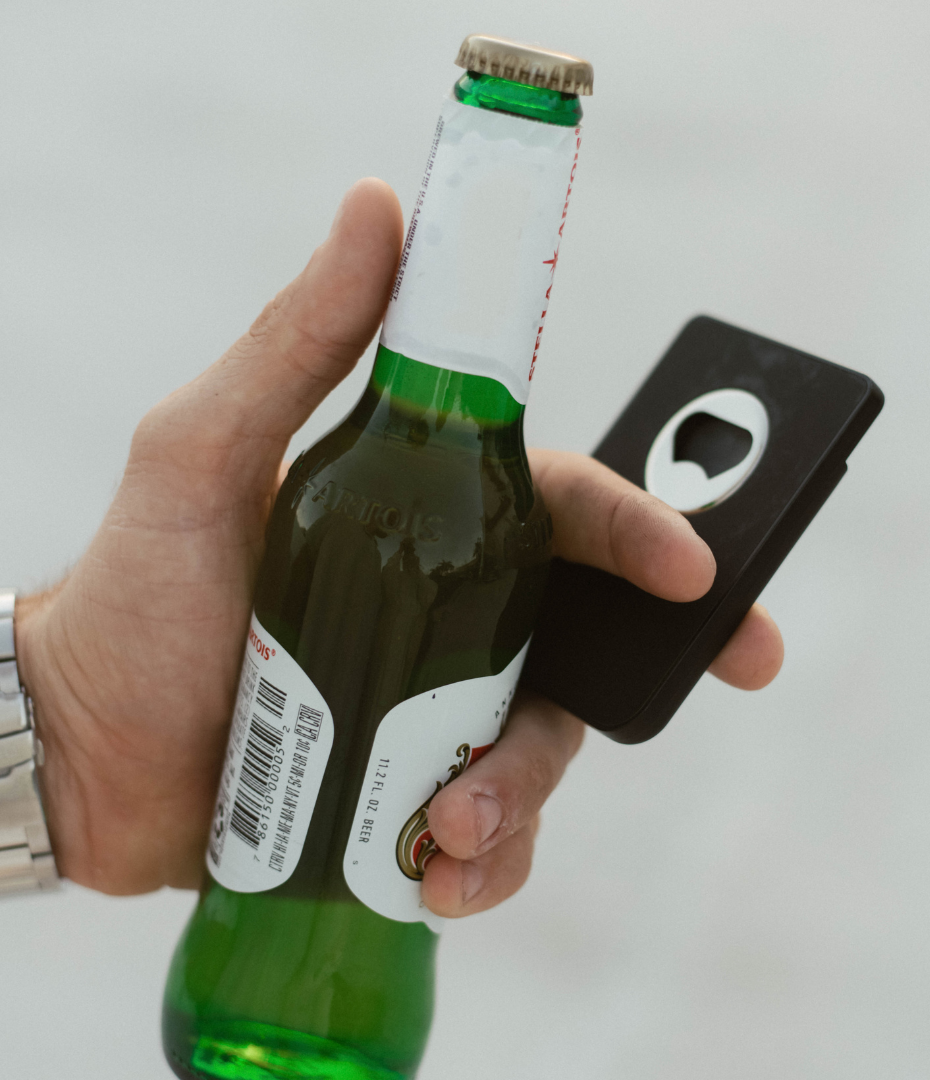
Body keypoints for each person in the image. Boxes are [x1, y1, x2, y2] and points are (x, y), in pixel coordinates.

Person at [12, 178, 784, 915]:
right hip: (222, 857)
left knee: (465, 811)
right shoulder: (343, 478)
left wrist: (69, 741)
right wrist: (65, 723)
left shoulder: (484, 507)